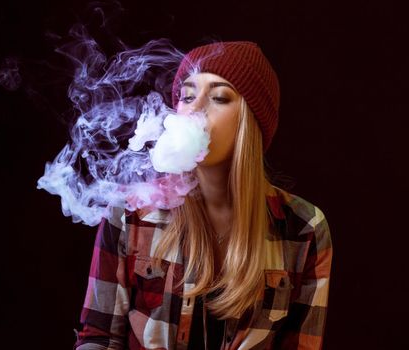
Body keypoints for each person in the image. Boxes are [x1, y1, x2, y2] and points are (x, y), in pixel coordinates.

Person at [73, 41, 333, 350]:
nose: (194, 110)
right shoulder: (130, 212)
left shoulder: (304, 228)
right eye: (187, 96)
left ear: (250, 124)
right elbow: (98, 339)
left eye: (219, 97)